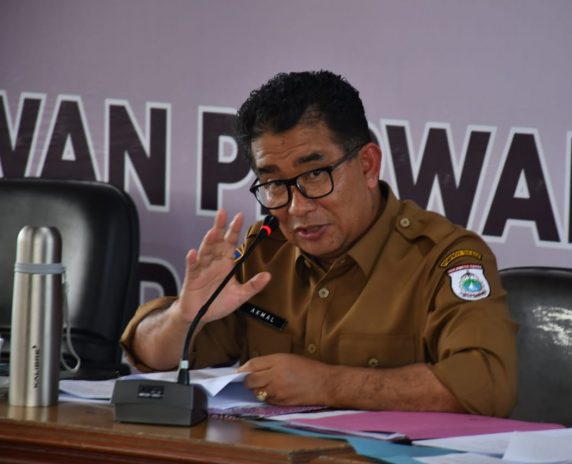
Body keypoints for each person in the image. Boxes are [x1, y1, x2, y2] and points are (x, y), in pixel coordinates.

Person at [120, 70, 517, 416]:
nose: (297, 207)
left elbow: (486, 384)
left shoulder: (443, 257)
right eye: (274, 183)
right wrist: (184, 317)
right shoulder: (265, 251)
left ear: (368, 166)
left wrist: (329, 385)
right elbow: (152, 356)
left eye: (314, 175)